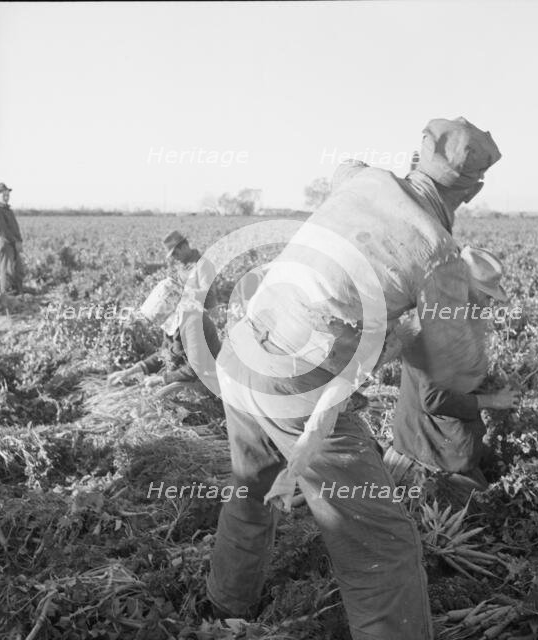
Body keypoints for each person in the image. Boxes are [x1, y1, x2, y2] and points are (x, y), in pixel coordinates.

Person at [206, 117, 502, 639]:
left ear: (416, 158)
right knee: (383, 544)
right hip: (296, 387)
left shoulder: (365, 182)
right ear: (474, 190)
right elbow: (449, 371)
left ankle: (223, 605)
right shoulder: (438, 252)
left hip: (243, 350)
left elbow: (349, 169)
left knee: (252, 487)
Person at [385, 247, 521, 493]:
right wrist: (492, 400)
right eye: (485, 296)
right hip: (428, 444)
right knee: (483, 508)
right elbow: (433, 399)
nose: (488, 303)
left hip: (433, 436)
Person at [107, 277, 221, 396]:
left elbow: (195, 368)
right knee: (142, 392)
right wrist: (129, 371)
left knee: (160, 395)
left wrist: (161, 379)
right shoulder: (175, 321)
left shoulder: (193, 323)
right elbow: (164, 354)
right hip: (191, 376)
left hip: (210, 379)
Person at [163, 230, 218, 310]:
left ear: (184, 247)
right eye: (172, 255)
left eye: (175, 253)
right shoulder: (181, 266)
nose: (174, 257)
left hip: (204, 312)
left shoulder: (203, 264)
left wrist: (184, 294)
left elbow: (208, 294)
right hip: (187, 309)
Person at [0, 183, 24, 295]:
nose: (6, 196)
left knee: (18, 269)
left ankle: (19, 293)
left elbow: (15, 227)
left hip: (14, 244)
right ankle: (5, 296)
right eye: (4, 195)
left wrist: (20, 241)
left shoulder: (8, 210)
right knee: (5, 271)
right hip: (5, 245)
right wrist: (15, 242)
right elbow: (1, 231)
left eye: (7, 194)